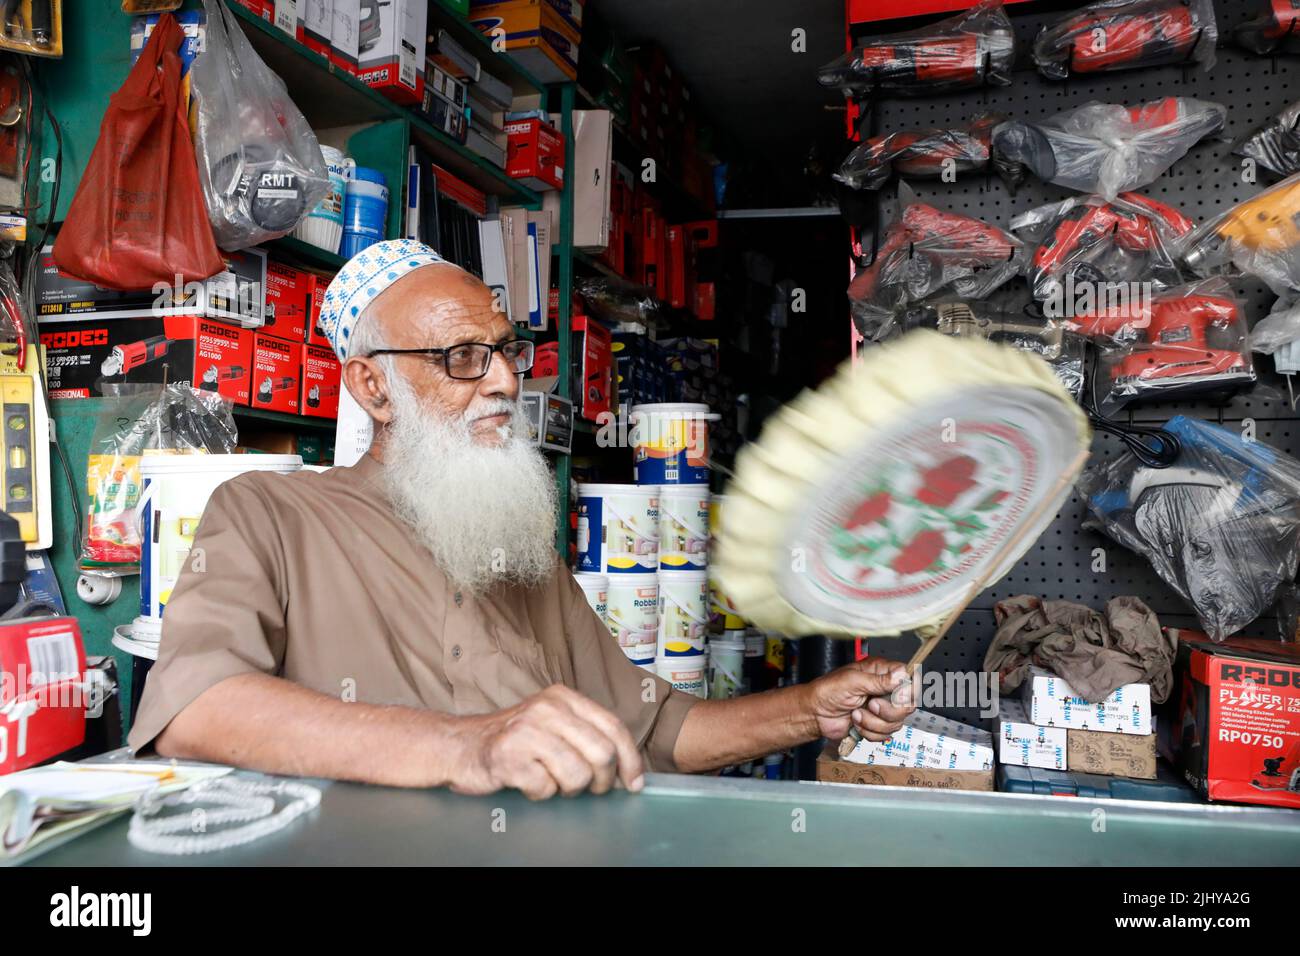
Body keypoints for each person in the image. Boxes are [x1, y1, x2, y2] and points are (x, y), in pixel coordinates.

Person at [128, 240, 915, 800]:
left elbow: (654, 727)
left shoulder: (512, 543)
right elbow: (198, 706)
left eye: (507, 350)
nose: (504, 379)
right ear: (371, 389)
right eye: (462, 357)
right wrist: (467, 745)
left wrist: (809, 710)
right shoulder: (270, 512)